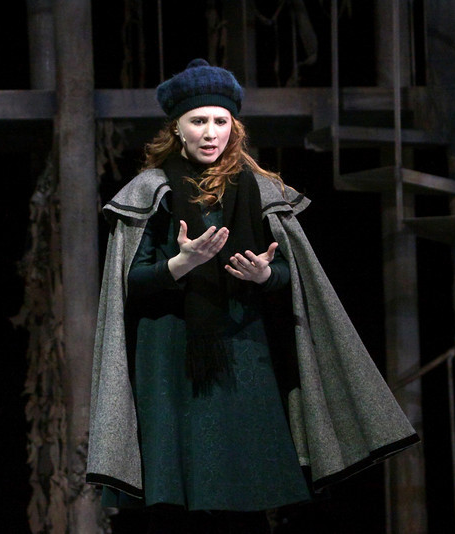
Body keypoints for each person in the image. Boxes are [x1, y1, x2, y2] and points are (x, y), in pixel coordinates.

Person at [86, 59, 419, 533]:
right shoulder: (151, 192)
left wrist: (265, 275)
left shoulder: (260, 191)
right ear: (177, 128)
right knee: (179, 500)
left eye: (220, 121)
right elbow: (131, 283)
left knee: (247, 494)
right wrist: (181, 264)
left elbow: (293, 278)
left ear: (234, 127)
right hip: (170, 355)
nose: (210, 132)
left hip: (243, 350)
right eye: (198, 121)